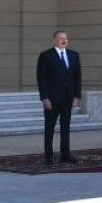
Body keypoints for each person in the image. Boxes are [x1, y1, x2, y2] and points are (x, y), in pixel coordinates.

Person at [36, 30, 82, 165]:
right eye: (61, 38)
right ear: (54, 40)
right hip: (52, 98)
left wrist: (76, 96)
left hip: (68, 98)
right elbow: (41, 78)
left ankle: (65, 154)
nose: (64, 40)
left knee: (65, 127)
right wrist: (45, 98)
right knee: (50, 127)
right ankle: (48, 156)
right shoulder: (46, 56)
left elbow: (77, 77)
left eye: (66, 38)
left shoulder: (74, 55)